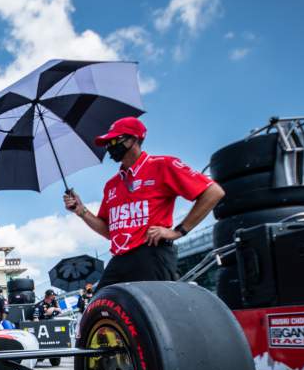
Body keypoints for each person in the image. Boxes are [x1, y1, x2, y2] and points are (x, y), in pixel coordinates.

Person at [63, 117, 225, 289]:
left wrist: (178, 231)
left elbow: (213, 192)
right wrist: (81, 211)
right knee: (99, 309)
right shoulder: (111, 185)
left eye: (114, 140)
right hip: (120, 258)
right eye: (107, 143)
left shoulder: (162, 165)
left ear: (134, 139)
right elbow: (109, 232)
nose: (110, 146)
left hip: (151, 252)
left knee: (152, 313)